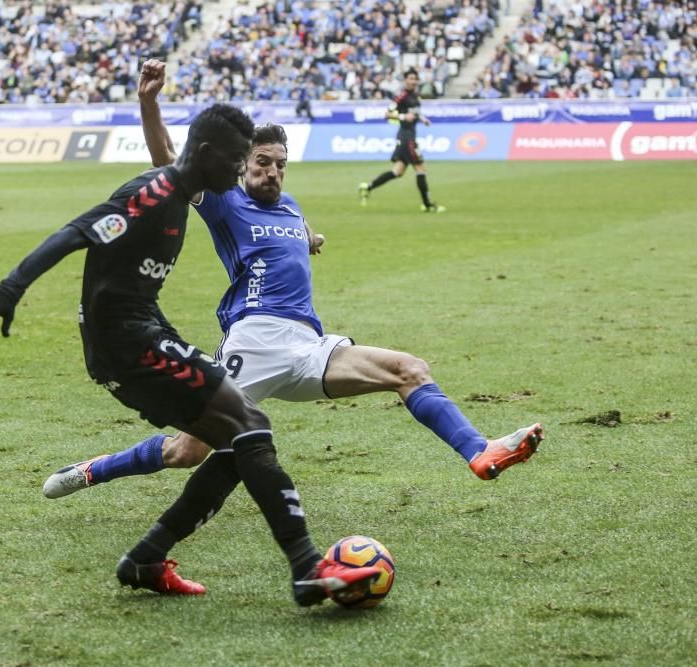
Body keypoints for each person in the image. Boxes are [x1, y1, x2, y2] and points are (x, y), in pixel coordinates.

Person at [41, 64, 543, 502]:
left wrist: (310, 238)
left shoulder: (289, 206)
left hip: (309, 344)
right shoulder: (222, 200)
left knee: (409, 369)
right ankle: (92, 470)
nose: (274, 172)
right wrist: (149, 102)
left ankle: (479, 451)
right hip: (255, 340)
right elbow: (165, 158)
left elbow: (293, 237)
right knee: (185, 450)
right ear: (242, 165)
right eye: (263, 162)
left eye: (281, 164)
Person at [0, 91, 382, 606]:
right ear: (208, 152)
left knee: (235, 440)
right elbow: (79, 231)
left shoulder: (186, 195)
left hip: (144, 332)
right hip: (127, 343)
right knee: (249, 424)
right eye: (236, 161)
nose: (238, 173)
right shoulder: (153, 192)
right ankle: (305, 569)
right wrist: (11, 288)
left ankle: (147, 558)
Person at [358, 68, 444, 213]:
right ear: (405, 80)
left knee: (398, 172)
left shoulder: (415, 95)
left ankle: (367, 187)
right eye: (411, 78)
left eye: (415, 79)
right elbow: (387, 114)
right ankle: (427, 205)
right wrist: (403, 117)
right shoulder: (401, 96)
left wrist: (422, 119)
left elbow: (414, 113)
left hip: (409, 136)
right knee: (420, 169)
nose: (414, 81)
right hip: (406, 137)